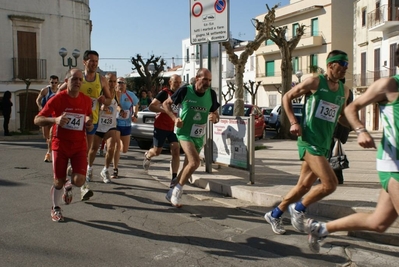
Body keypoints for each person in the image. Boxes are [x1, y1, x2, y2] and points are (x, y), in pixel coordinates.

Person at [305, 46, 399, 253]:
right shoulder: (389, 85)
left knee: (379, 223)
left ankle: (321, 228)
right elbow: (350, 108)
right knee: (317, 183)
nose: (345, 68)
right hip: (393, 164)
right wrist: (361, 131)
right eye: (343, 64)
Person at [264, 50, 350, 235]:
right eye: (341, 65)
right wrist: (294, 122)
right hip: (308, 141)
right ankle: (299, 209)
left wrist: (358, 127)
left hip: (324, 144)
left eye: (347, 65)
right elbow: (286, 97)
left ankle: (275, 213)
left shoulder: (345, 90)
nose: (344, 69)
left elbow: (341, 116)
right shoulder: (315, 82)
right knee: (330, 183)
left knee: (303, 186)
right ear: (330, 65)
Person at [34, 68, 93, 222]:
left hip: (79, 145)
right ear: (66, 81)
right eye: (74, 79)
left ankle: (69, 185)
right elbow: (37, 119)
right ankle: (55, 207)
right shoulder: (57, 99)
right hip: (60, 145)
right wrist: (55, 120)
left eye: (80, 79)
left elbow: (88, 117)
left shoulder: (86, 100)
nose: (78, 82)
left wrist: (88, 123)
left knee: (79, 180)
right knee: (58, 182)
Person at [163, 68, 220, 207]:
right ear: (197, 78)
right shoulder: (185, 91)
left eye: (210, 80)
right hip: (184, 132)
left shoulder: (211, 94)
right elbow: (165, 104)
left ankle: (170, 192)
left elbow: (215, 113)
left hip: (199, 135)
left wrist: (215, 117)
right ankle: (177, 191)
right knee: (195, 162)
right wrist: (174, 118)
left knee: (187, 166)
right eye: (205, 79)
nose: (207, 83)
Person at [143, 74, 182, 188]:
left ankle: (174, 178)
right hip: (161, 126)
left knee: (175, 150)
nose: (177, 84)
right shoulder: (164, 93)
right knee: (157, 151)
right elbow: (151, 106)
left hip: (173, 127)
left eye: (179, 82)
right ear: (170, 82)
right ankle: (148, 155)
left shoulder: (180, 94)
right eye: (175, 82)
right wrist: (166, 111)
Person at [86, 73, 119, 184]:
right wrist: (101, 106)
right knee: (94, 149)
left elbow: (118, 105)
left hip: (111, 125)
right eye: (110, 81)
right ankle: (89, 168)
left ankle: (105, 170)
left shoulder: (117, 94)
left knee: (111, 148)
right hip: (98, 125)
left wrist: (122, 111)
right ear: (105, 81)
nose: (112, 84)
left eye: (114, 81)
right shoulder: (100, 92)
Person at [112, 77, 139, 179]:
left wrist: (135, 115)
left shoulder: (130, 95)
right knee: (117, 146)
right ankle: (115, 169)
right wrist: (120, 110)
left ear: (126, 85)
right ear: (116, 84)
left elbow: (136, 105)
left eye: (123, 83)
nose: (121, 84)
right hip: (116, 123)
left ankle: (111, 148)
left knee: (125, 150)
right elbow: (116, 105)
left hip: (127, 124)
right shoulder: (113, 94)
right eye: (119, 82)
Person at [329, 83, 353, 184]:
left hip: (337, 125)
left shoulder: (342, 91)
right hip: (340, 126)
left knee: (334, 152)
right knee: (333, 151)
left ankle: (336, 176)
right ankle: (333, 176)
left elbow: (344, 110)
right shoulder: (348, 91)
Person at [36, 75, 59, 162]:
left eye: (55, 82)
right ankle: (49, 150)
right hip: (46, 116)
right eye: (52, 82)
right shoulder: (45, 90)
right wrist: (40, 107)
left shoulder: (59, 91)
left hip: (54, 116)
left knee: (51, 136)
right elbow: (38, 100)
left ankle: (49, 153)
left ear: (58, 83)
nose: (54, 84)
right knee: (46, 136)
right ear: (49, 82)